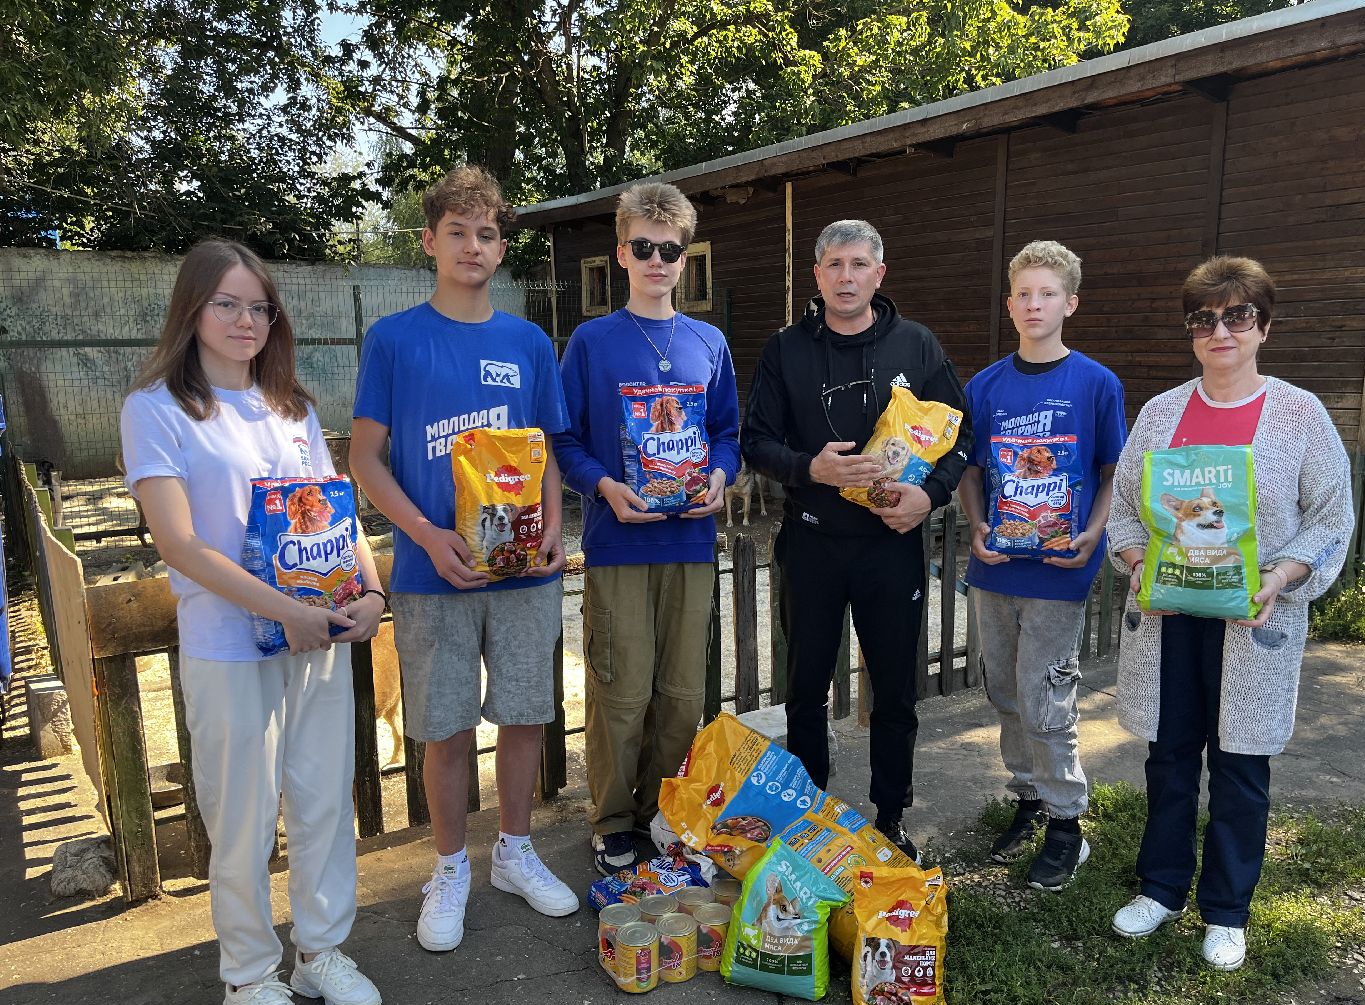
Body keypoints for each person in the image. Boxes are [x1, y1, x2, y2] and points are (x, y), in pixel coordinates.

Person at [121, 240, 385, 1005]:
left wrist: (371, 591)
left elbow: (335, 516)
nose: (245, 320)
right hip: (231, 648)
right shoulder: (157, 409)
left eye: (259, 306)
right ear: (192, 311)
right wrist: (283, 609)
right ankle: (247, 979)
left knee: (322, 803)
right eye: (227, 304)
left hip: (318, 643)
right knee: (239, 821)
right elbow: (180, 544)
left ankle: (320, 951)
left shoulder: (292, 408)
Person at [350, 165, 579, 954]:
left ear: (501, 247)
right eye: (458, 231)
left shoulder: (526, 342)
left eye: (487, 233)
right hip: (429, 573)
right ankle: (448, 867)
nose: (473, 246)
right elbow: (365, 460)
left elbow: (547, 450)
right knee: (443, 729)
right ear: (430, 241)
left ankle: (514, 852)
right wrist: (425, 533)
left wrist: (555, 531)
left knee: (523, 715)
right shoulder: (394, 339)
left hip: (523, 572)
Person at [1105, 255, 1353, 969]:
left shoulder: (1298, 414)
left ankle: (1227, 908)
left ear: (1263, 327)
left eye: (1237, 316)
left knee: (1242, 761)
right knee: (1170, 755)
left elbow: (1330, 517)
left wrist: (1280, 575)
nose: (1221, 331)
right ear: (1192, 331)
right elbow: (1125, 510)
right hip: (1171, 623)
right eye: (1205, 319)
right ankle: (1161, 887)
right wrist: (1138, 564)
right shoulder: (1161, 414)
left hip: (1253, 625)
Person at [741, 219, 970, 860]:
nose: (846, 276)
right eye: (834, 264)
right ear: (816, 275)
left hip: (891, 547)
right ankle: (808, 815)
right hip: (812, 542)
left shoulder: (918, 347)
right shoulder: (786, 348)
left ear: (879, 274)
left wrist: (930, 497)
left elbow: (961, 437)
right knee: (805, 689)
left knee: (895, 691)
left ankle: (891, 816)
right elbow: (755, 440)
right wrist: (809, 467)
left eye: (859, 264)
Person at [553, 182, 740, 875]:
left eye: (671, 249)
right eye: (643, 247)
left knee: (682, 693)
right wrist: (603, 486)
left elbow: (727, 433)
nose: (657, 259)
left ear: (685, 259)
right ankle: (610, 820)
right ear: (622, 255)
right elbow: (564, 439)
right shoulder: (593, 343)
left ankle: (662, 810)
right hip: (619, 541)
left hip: (691, 542)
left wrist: (720, 477)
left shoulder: (708, 342)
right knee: (620, 689)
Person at [956, 240, 1127, 891]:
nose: (1034, 304)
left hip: (1060, 572)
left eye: (1047, 293)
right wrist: (976, 525)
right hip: (995, 570)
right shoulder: (985, 386)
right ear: (1009, 304)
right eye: (1024, 294)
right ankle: (1027, 798)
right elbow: (969, 473)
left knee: (1046, 698)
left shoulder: (1095, 383)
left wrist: (1092, 533)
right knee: (1004, 693)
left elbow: (1114, 473)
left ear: (1070, 303)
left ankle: (1066, 824)